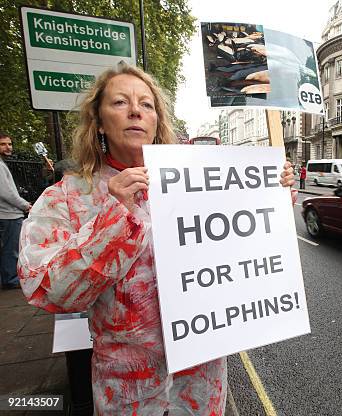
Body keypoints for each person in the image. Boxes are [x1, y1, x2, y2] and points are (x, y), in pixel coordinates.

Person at [17, 62, 295, 415]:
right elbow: (45, 289)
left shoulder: (195, 179)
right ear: (99, 121)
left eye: (146, 104)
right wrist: (113, 218)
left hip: (201, 381)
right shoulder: (69, 196)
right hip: (128, 388)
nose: (135, 110)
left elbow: (247, 234)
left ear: (156, 120)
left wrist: (272, 188)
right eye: (120, 102)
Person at [0, 133, 31, 290]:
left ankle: (8, 277)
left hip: (7, 214)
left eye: (9, 144)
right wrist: (25, 205)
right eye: (3, 144)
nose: (8, 147)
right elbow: (6, 193)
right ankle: (11, 279)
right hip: (8, 214)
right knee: (11, 250)